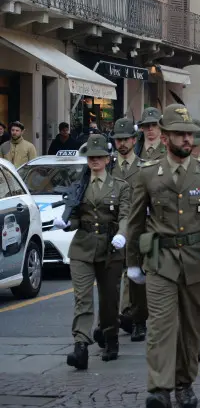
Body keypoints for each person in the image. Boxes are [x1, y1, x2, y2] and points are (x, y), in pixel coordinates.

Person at [124, 105, 200, 408]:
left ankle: (184, 382)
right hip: (160, 259)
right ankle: (159, 389)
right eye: (180, 134)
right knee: (160, 326)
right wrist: (133, 262)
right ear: (165, 134)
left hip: (198, 259)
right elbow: (134, 222)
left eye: (190, 134)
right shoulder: (148, 173)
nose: (187, 139)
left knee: (192, 327)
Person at [54, 134, 130, 370]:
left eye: (99, 157)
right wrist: (66, 222)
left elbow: (126, 215)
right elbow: (76, 217)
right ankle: (81, 346)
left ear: (108, 159)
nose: (94, 161)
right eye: (90, 157)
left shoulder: (120, 187)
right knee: (82, 298)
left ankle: (110, 337)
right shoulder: (80, 185)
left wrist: (122, 233)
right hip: (83, 247)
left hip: (110, 247)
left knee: (109, 299)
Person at [111, 119, 148, 343]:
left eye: (126, 139)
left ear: (134, 140)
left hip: (137, 228)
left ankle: (138, 321)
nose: (122, 144)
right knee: (112, 278)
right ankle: (113, 320)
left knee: (136, 278)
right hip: (112, 229)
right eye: (118, 140)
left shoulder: (143, 168)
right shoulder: (108, 167)